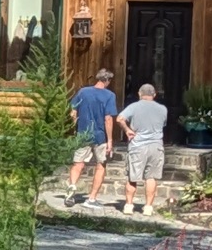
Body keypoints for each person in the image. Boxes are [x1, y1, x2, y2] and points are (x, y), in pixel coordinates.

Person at [116, 81, 172, 208]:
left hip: (138, 145)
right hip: (156, 146)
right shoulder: (163, 109)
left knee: (132, 177)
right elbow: (163, 124)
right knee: (151, 177)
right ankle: (148, 207)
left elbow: (119, 118)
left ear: (139, 94)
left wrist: (127, 130)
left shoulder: (134, 106)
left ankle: (129, 205)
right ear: (155, 94)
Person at [70, 69, 119, 202]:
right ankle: (92, 198)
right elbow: (108, 118)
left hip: (83, 133)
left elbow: (73, 110)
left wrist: (75, 123)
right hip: (99, 134)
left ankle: (72, 186)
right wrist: (110, 140)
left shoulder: (83, 92)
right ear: (107, 80)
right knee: (101, 164)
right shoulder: (109, 95)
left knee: (78, 163)